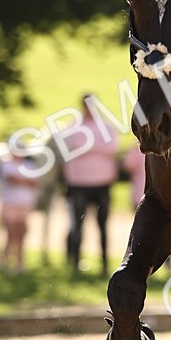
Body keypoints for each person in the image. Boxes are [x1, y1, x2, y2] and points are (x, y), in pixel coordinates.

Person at [61, 95, 119, 274]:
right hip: (78, 184)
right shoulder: (73, 127)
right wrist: (97, 147)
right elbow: (70, 149)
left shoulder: (107, 127)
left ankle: (104, 263)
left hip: (102, 184)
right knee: (77, 225)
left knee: (103, 225)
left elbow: (112, 149)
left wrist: (86, 147)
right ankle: (75, 262)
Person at [0, 148, 39, 274]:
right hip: (10, 203)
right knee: (11, 233)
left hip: (25, 204)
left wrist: (22, 180)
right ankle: (5, 261)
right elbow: (12, 179)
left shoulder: (30, 165)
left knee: (21, 234)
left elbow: (35, 183)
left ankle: (19, 262)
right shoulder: (7, 164)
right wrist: (26, 180)